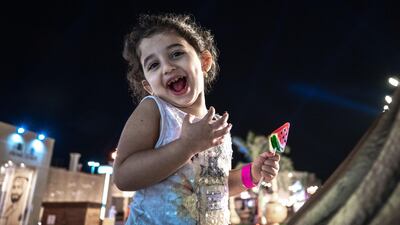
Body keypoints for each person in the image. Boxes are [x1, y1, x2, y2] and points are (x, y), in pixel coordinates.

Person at [113, 13, 280, 225]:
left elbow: (217, 184)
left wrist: (252, 174)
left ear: (204, 61)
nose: (167, 67)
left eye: (176, 54)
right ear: (148, 87)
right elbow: (124, 177)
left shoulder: (217, 126)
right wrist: (187, 146)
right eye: (153, 65)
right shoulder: (155, 110)